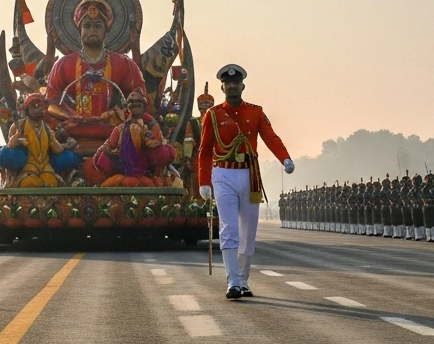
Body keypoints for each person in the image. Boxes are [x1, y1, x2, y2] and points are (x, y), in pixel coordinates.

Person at [196, 64, 294, 300]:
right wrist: (204, 180)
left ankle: (243, 278)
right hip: (224, 174)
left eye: (236, 83)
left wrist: (285, 158)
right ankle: (232, 281)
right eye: (228, 83)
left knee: (249, 231)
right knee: (229, 228)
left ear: (242, 86)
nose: (232, 86)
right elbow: (205, 149)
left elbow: (271, 137)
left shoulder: (256, 112)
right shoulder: (213, 114)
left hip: (251, 175)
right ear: (222, 86)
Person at [45, 0, 147, 184]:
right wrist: (69, 115)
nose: (92, 30)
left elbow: (139, 98)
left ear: (106, 29)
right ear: (79, 30)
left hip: (111, 134)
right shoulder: (64, 64)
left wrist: (120, 113)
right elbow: (50, 104)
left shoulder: (123, 64)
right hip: (74, 135)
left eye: (98, 25)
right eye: (87, 25)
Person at [94, 89, 174, 185]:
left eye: (138, 101)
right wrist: (110, 151)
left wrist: (152, 143)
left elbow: (160, 153)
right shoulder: (120, 128)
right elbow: (108, 152)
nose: (135, 104)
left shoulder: (152, 126)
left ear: (144, 104)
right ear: (127, 106)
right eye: (131, 102)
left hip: (147, 173)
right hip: (123, 172)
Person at [0, 94, 78, 187]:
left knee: (52, 183)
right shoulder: (19, 126)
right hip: (28, 168)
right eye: (35, 106)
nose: (39, 109)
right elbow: (10, 147)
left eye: (41, 106)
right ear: (27, 109)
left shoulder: (47, 128)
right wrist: (16, 139)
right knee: (28, 183)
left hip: (45, 167)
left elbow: (57, 148)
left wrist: (68, 145)